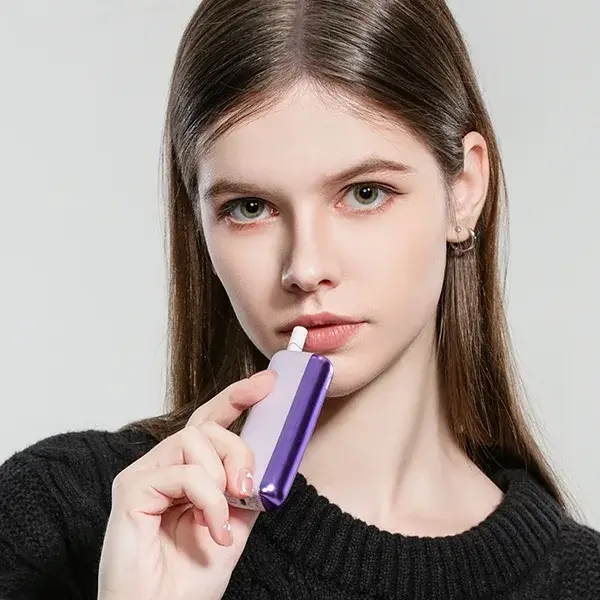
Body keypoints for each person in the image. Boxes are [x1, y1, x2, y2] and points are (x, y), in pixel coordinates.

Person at [1, 0, 599, 598]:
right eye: (250, 208)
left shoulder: (579, 580)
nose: (306, 268)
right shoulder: (62, 518)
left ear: (464, 189)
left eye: (365, 193)